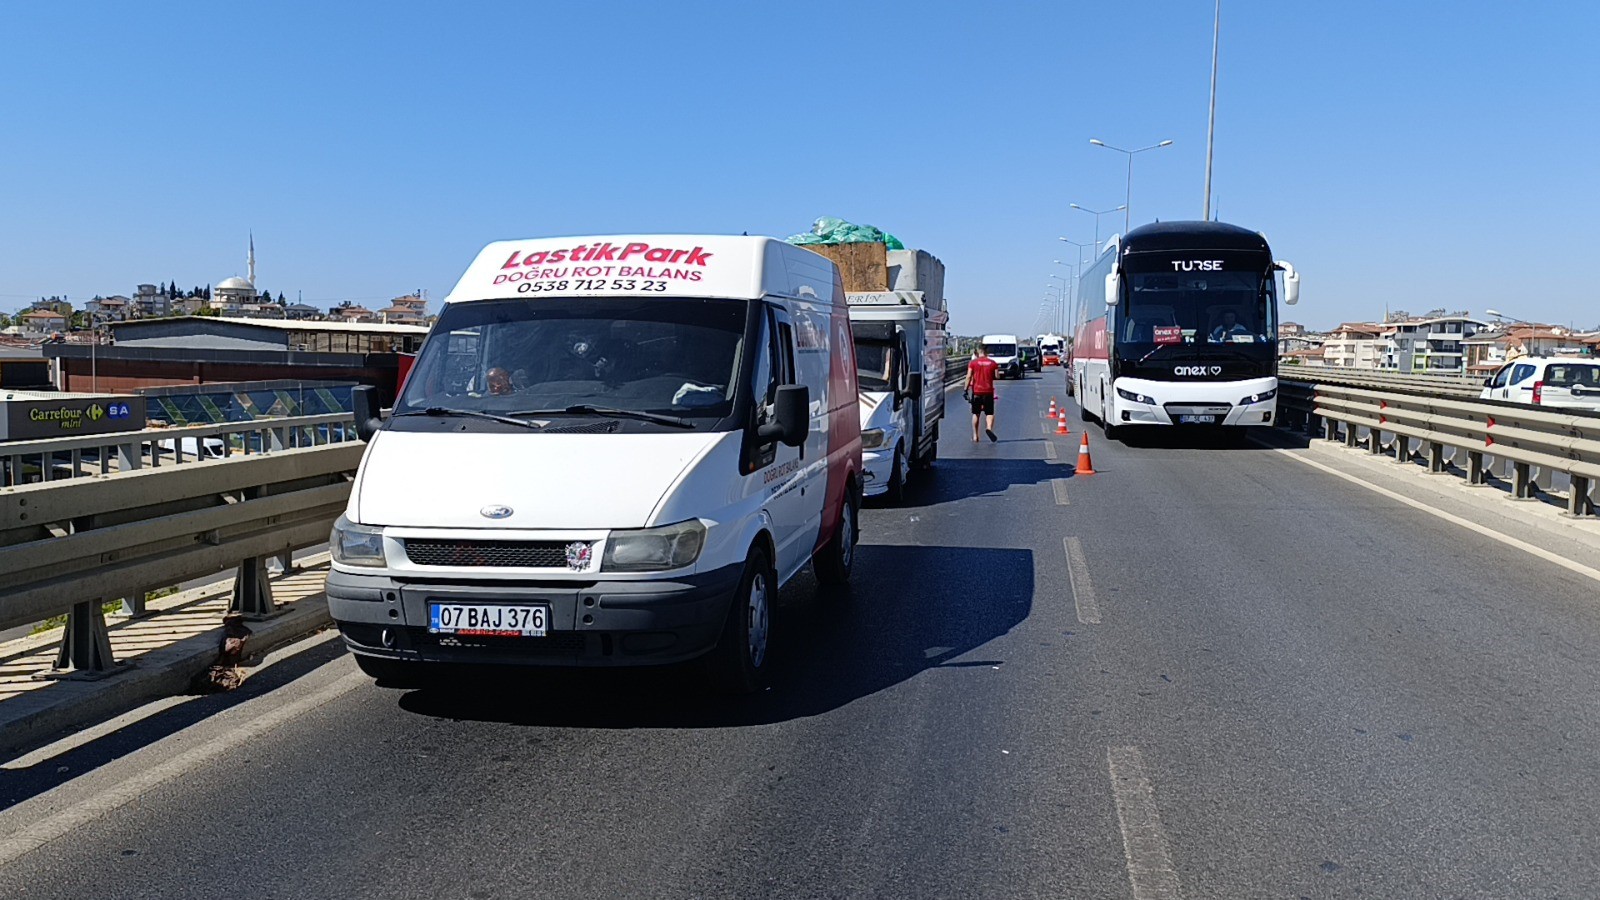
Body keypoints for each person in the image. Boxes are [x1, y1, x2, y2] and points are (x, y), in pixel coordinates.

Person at [965, 344, 999, 442]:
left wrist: (965, 390)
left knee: (976, 413)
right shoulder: (993, 363)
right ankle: (988, 428)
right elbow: (997, 376)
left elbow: (968, 376)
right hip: (988, 391)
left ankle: (975, 436)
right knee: (989, 413)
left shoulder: (973, 363)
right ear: (986, 352)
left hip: (976, 392)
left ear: (978, 352)